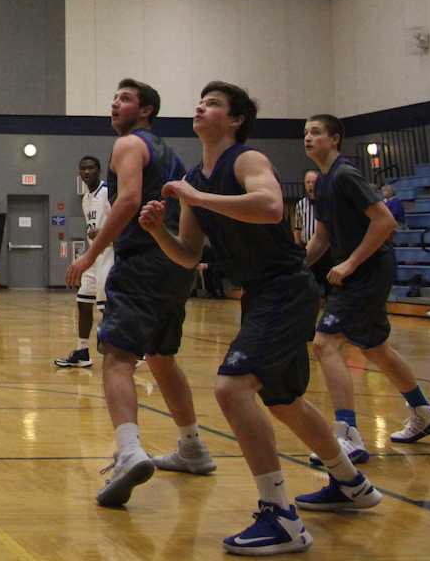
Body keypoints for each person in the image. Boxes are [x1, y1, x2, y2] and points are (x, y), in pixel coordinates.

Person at [140, 82, 380, 554]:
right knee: (285, 400)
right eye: (200, 101)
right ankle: (351, 484)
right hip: (259, 294)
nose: (199, 107)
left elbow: (271, 208)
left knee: (231, 388)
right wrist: (157, 232)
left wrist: (199, 198)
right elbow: (189, 256)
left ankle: (280, 515)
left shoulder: (246, 161)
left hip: (286, 288)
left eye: (212, 103)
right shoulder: (195, 177)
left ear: (234, 120)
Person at [64, 78, 209, 508]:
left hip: (142, 259)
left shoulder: (129, 145)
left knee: (117, 356)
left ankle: (128, 452)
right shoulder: (172, 156)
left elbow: (127, 201)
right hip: (173, 263)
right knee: (162, 356)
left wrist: (90, 254)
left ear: (146, 110)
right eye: (113, 97)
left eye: (124, 99)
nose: (114, 104)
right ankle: (192, 447)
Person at [304, 114, 430, 466]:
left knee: (325, 343)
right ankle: (424, 411)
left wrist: (350, 263)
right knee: (375, 348)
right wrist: (292, 269)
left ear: (334, 139)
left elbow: (385, 221)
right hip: (356, 274)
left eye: (316, 132)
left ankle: (348, 434)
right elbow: (321, 237)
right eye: (305, 133)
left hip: (368, 271)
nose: (307, 138)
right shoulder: (322, 183)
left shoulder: (345, 175)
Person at [56, 155, 110, 368]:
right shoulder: (86, 199)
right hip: (94, 255)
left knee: (108, 307)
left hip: (110, 253)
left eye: (91, 168)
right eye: (83, 169)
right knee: (83, 301)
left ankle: (133, 349)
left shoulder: (108, 192)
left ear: (99, 170)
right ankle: (82, 351)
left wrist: (104, 232)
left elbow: (124, 219)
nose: (86, 172)